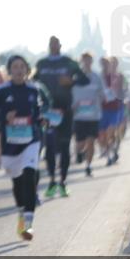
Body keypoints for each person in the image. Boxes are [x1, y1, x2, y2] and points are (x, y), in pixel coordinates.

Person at [0, 55, 47, 241]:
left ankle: (28, 223)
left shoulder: (35, 90)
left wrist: (43, 119)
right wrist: (5, 118)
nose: (19, 70)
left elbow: (41, 112)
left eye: (22, 66)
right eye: (15, 67)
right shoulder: (2, 91)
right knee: (18, 183)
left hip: (31, 140)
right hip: (10, 145)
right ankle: (22, 212)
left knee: (29, 175)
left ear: (27, 69)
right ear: (9, 70)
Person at [33, 36, 89, 198]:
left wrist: (71, 81)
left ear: (60, 45)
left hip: (65, 110)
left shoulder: (69, 62)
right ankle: (51, 181)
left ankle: (63, 182)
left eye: (56, 43)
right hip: (47, 111)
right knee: (49, 147)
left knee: (64, 146)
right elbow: (33, 81)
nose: (53, 46)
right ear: (48, 46)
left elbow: (84, 79)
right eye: (51, 44)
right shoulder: (41, 63)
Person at [71, 52, 105, 178]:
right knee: (80, 144)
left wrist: (101, 98)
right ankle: (80, 152)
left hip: (93, 115)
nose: (87, 62)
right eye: (84, 60)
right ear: (81, 61)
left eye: (89, 60)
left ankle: (88, 166)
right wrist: (72, 105)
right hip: (79, 116)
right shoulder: (75, 77)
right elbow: (70, 93)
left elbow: (102, 93)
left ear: (92, 61)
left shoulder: (97, 77)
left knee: (91, 141)